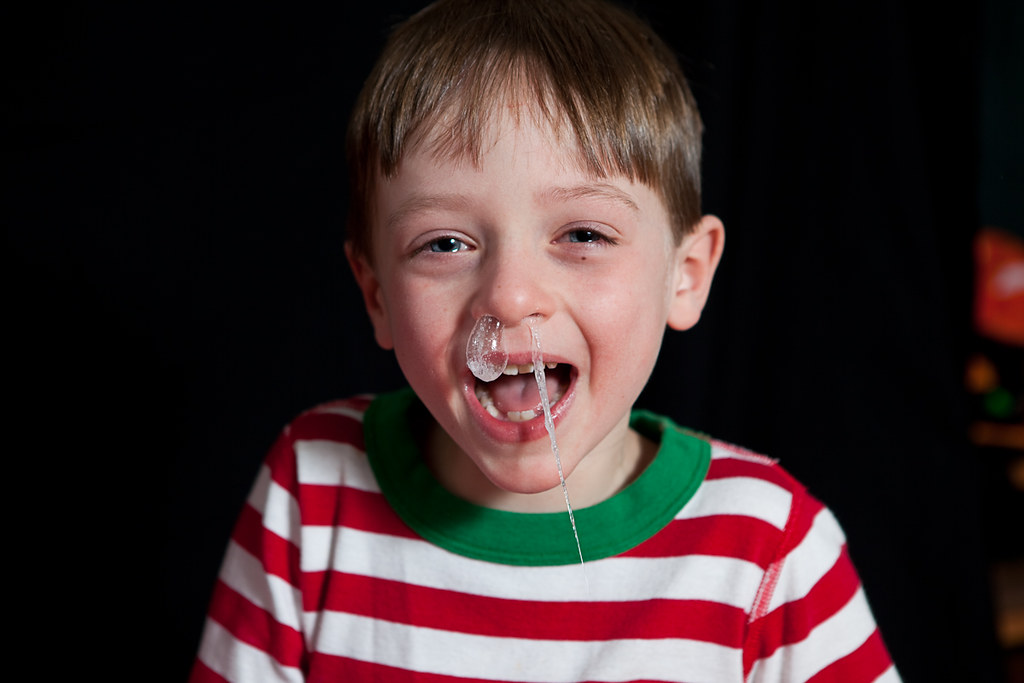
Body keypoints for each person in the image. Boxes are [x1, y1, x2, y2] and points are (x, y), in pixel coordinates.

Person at [190, 0, 899, 680]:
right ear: (377, 295)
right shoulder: (312, 490)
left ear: (684, 276)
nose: (510, 295)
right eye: (444, 243)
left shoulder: (769, 547)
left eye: (583, 234)